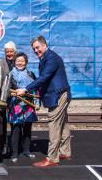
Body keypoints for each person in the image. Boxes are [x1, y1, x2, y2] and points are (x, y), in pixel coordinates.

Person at [16, 36, 72, 168]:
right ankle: (65, 152)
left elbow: (44, 77)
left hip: (58, 94)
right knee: (63, 124)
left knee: (53, 123)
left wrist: (25, 89)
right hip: (59, 93)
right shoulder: (45, 58)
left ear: (44, 45)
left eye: (37, 47)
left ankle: (52, 158)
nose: (36, 50)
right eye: (34, 49)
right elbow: (45, 81)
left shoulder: (51, 58)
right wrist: (38, 96)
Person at [7, 52, 38, 163]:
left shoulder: (31, 74)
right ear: (14, 62)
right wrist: (12, 94)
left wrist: (36, 103)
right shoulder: (10, 75)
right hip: (15, 106)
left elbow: (36, 89)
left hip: (28, 105)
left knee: (27, 129)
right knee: (15, 130)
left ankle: (26, 150)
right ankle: (14, 153)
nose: (20, 63)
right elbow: (7, 90)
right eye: (18, 61)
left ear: (26, 62)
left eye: (22, 61)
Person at [0, 41, 17, 156]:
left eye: (11, 51)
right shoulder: (0, 64)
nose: (9, 54)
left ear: (15, 52)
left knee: (15, 124)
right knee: (1, 124)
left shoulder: (19, 62)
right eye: (7, 52)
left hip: (16, 99)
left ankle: (15, 147)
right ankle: (3, 145)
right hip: (3, 98)